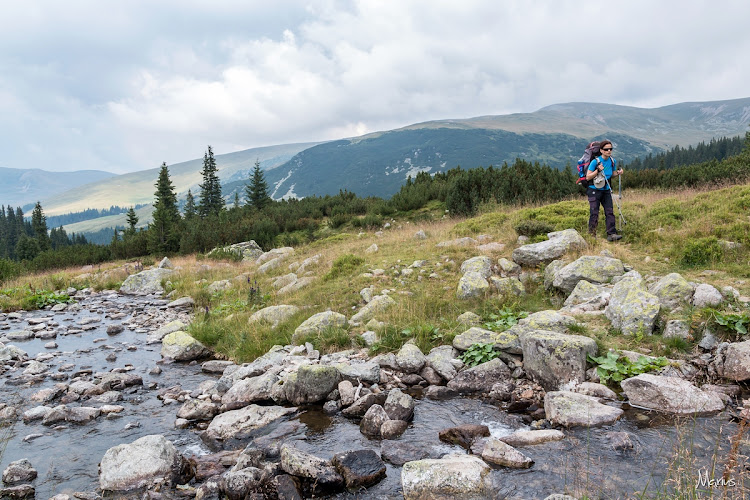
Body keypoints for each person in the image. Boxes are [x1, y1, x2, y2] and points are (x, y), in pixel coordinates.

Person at [585, 140, 623, 241]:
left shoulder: (612, 161)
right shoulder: (595, 162)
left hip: (606, 190)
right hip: (594, 190)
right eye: (606, 149)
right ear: (601, 150)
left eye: (610, 149)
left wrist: (618, 173)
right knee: (594, 213)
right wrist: (598, 170)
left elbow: (611, 174)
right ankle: (592, 236)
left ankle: (612, 234)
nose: (609, 151)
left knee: (609, 211)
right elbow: (588, 177)